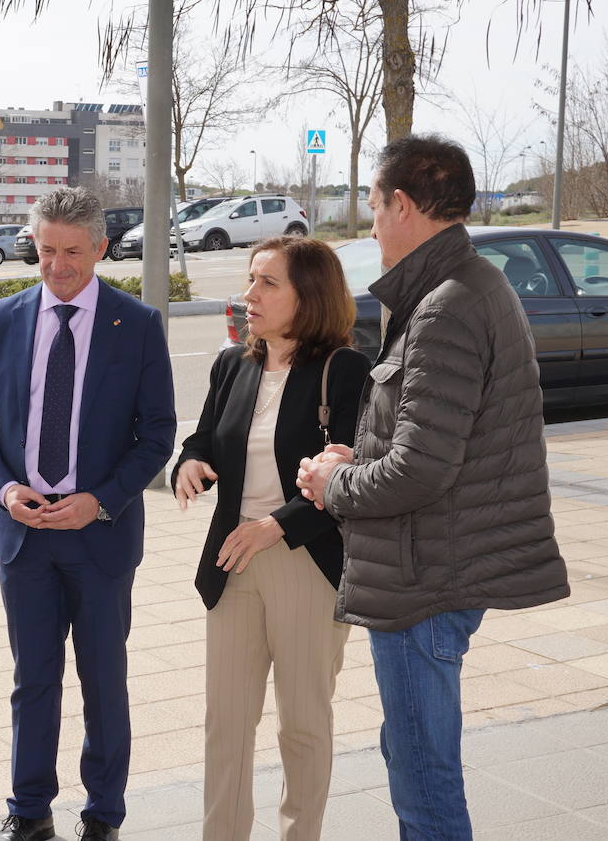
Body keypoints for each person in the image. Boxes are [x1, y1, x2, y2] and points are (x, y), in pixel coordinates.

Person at [296, 134, 570, 840]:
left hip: (425, 579)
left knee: (424, 782)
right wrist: (355, 456)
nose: (372, 221)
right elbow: (438, 438)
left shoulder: (446, 304)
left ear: (406, 206)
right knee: (412, 752)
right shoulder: (461, 287)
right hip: (432, 566)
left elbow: (421, 468)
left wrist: (335, 483)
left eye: (375, 204)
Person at [0, 186, 177, 841]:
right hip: (25, 538)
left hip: (100, 538)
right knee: (34, 683)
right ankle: (28, 813)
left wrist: (100, 500)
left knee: (103, 684)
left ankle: (103, 816)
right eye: (46, 249)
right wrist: (4, 489)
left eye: (72, 252)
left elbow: (157, 435)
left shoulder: (136, 326)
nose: (57, 265)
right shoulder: (3, 318)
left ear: (101, 249)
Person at [172, 236, 369, 841]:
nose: (249, 294)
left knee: (303, 723)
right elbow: (205, 437)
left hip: (305, 560)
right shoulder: (234, 363)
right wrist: (189, 462)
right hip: (232, 561)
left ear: (308, 296)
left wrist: (273, 526)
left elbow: (353, 477)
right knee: (224, 723)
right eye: (250, 280)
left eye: (267, 283)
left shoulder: (346, 370)